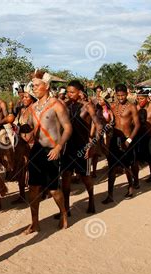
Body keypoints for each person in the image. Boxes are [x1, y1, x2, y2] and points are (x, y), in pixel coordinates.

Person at [24, 70, 72, 234]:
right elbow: (30, 127)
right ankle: (35, 223)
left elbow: (67, 128)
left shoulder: (56, 104)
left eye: (37, 85)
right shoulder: (32, 107)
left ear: (47, 86)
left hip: (52, 149)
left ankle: (64, 213)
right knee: (33, 188)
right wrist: (23, 129)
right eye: (33, 85)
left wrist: (59, 147)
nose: (34, 88)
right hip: (37, 150)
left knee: (52, 189)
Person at [60, 80, 102, 216]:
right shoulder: (64, 106)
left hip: (82, 148)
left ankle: (91, 201)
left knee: (85, 177)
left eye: (72, 92)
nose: (69, 94)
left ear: (80, 92)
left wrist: (92, 145)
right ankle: (66, 208)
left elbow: (99, 126)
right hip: (67, 147)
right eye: (67, 92)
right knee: (65, 177)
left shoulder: (87, 107)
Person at [102, 84, 140, 204]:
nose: (120, 97)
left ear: (127, 94)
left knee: (126, 167)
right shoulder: (113, 106)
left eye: (122, 95)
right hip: (115, 139)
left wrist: (129, 140)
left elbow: (137, 125)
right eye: (118, 95)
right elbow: (111, 121)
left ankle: (130, 188)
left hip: (127, 139)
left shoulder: (132, 107)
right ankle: (110, 195)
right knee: (111, 168)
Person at [91, 92, 113, 177]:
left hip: (107, 133)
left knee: (106, 150)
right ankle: (94, 171)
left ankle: (111, 167)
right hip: (98, 132)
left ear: (105, 101)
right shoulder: (97, 110)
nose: (99, 101)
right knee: (96, 152)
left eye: (101, 99)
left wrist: (109, 125)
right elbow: (94, 121)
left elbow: (112, 121)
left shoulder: (110, 110)